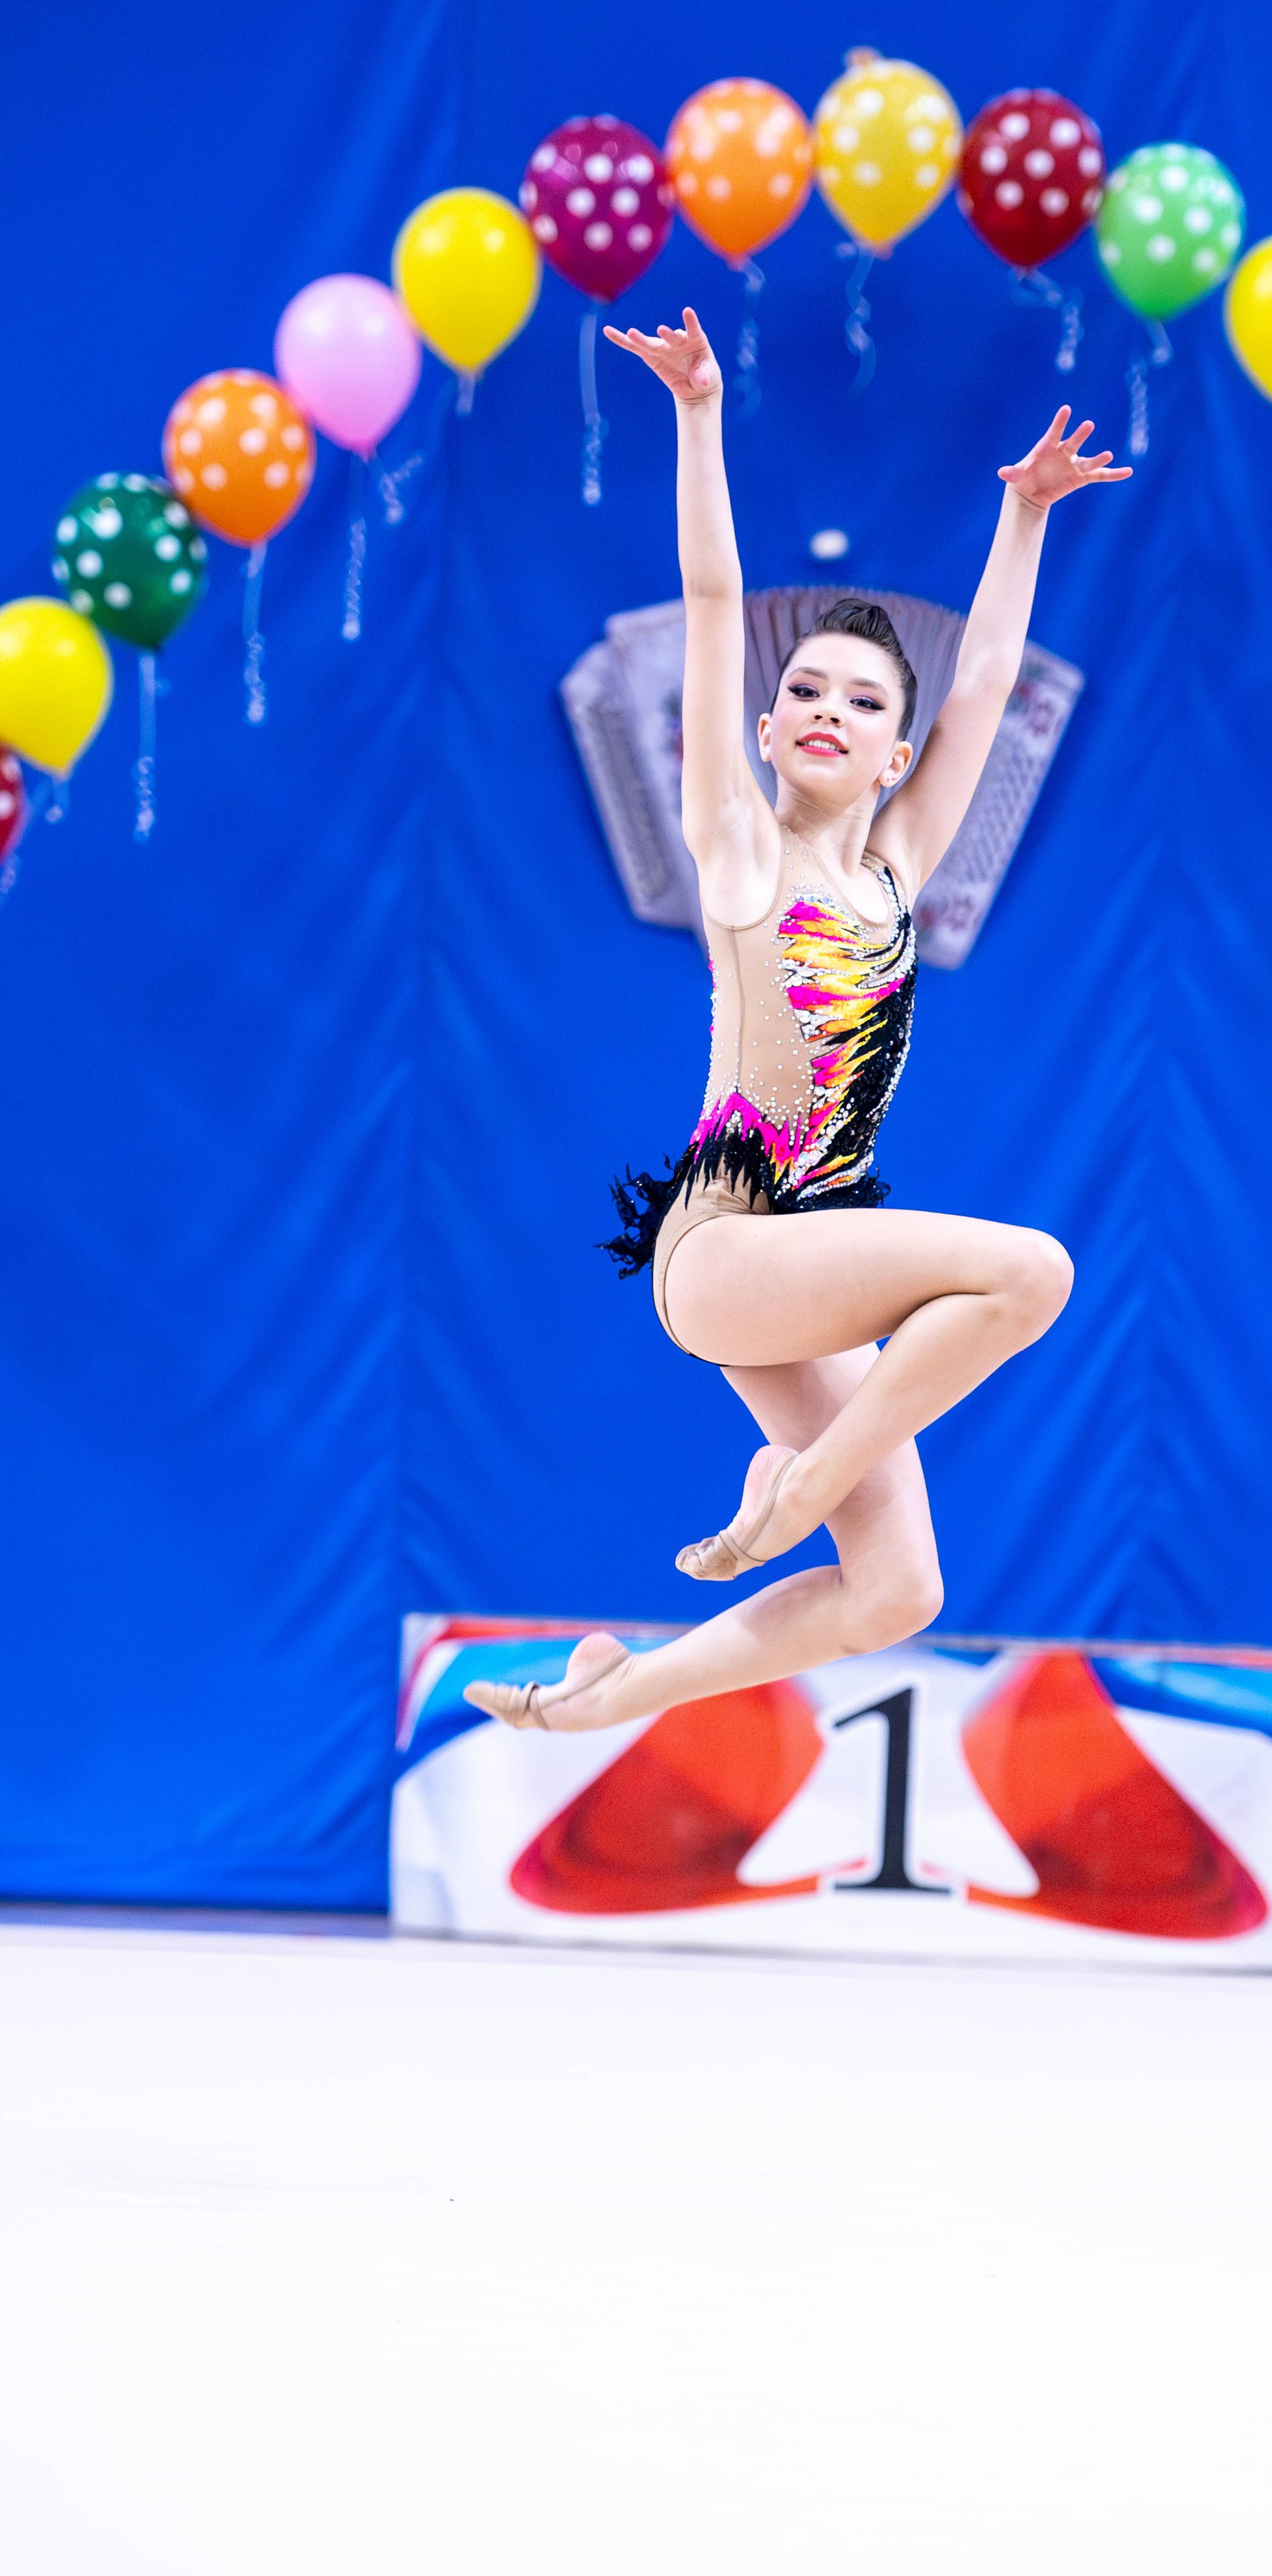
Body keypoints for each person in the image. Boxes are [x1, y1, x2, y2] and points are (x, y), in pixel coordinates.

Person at [466, 308, 1127, 1734]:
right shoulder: (739, 854)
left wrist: (1018, 519)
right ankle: (804, 1488)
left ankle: (608, 1694)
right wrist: (699, 418)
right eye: (802, 691)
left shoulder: (892, 868)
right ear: (765, 729)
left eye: (863, 702)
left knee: (897, 1594)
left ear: (898, 752)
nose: (824, 708)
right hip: (723, 1249)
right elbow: (713, 603)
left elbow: (988, 688)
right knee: (1031, 1273)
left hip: (792, 1270)